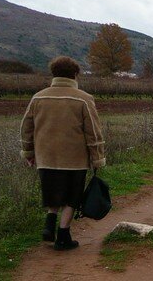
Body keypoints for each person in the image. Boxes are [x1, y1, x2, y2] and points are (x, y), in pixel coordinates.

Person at [20, 56, 106, 251]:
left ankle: (49, 223)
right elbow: (93, 131)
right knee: (72, 196)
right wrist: (97, 157)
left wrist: (28, 152)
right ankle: (63, 235)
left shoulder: (38, 97)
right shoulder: (84, 99)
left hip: (46, 156)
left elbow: (26, 127)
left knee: (52, 191)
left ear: (53, 73)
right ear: (75, 74)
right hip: (75, 158)